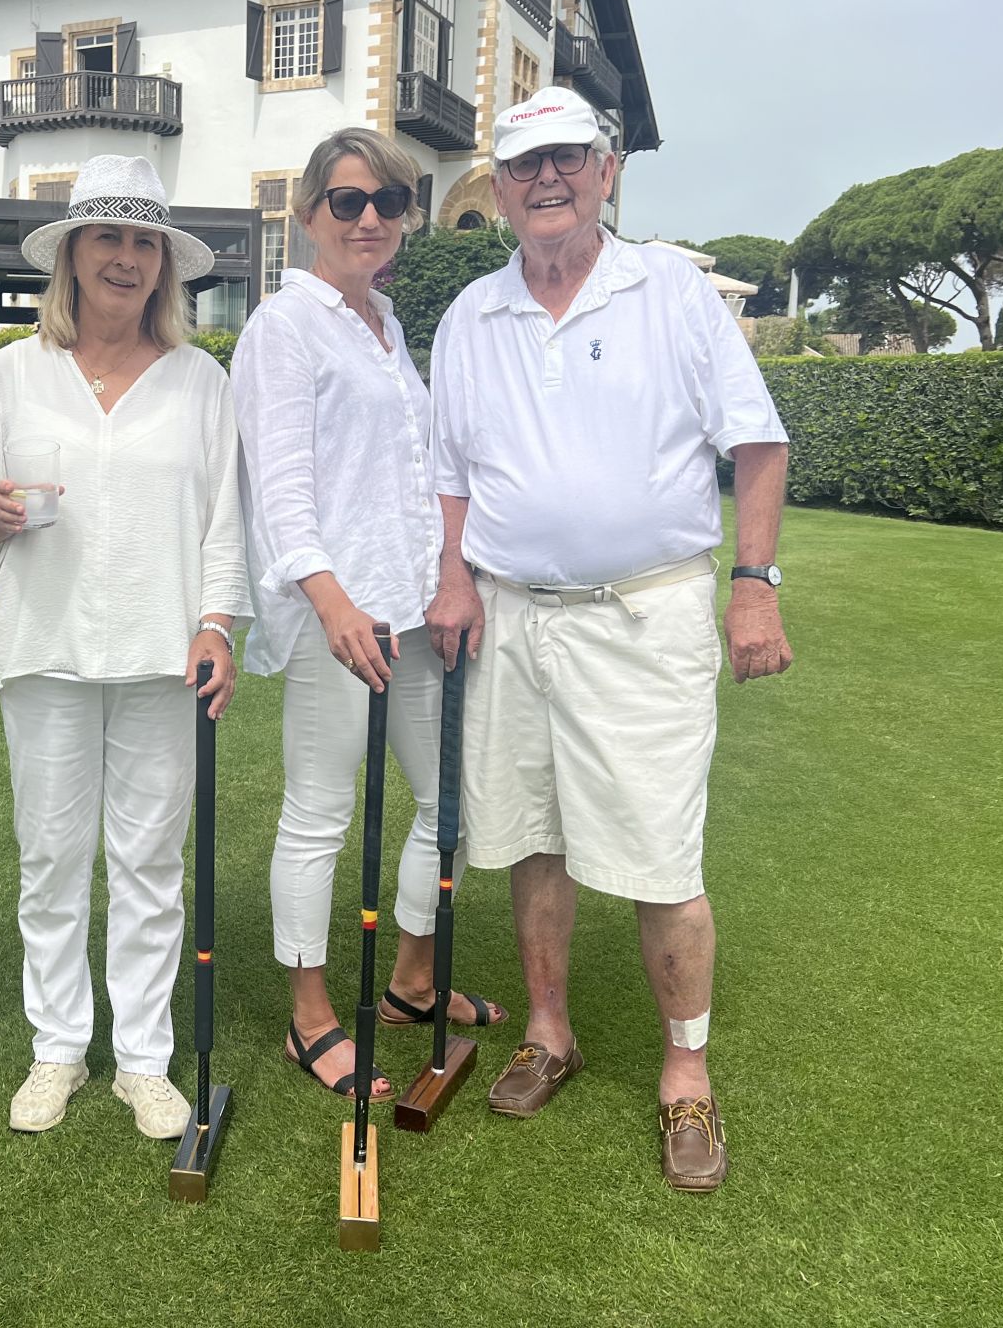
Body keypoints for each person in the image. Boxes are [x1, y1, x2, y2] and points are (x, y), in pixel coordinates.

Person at [427, 85, 794, 1193]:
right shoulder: (469, 317)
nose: (546, 181)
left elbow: (757, 445)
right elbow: (450, 477)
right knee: (535, 838)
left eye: (567, 160)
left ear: (609, 169)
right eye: (525, 165)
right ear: (498, 188)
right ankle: (551, 1030)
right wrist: (454, 580)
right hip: (516, 616)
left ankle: (687, 1069)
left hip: (647, 614)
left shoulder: (671, 291)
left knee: (657, 851)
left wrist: (754, 585)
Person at [0, 156, 250, 1141]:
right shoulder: (9, 372)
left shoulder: (201, 380)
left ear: (164, 264)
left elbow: (223, 521)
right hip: (45, 649)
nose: (126, 259)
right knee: (50, 858)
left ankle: (147, 1061)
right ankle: (58, 1049)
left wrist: (217, 623)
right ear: (72, 255)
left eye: (143, 242)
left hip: (163, 652)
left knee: (150, 861)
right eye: (108, 238)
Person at [232, 128, 506, 1104]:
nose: (370, 219)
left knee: (453, 802)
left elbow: (420, 474)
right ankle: (311, 1018)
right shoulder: (286, 324)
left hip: (417, 610)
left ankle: (409, 983)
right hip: (335, 619)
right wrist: (333, 601)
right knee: (320, 811)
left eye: (388, 202)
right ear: (308, 215)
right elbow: (283, 488)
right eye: (347, 201)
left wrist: (448, 576)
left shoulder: (387, 324)